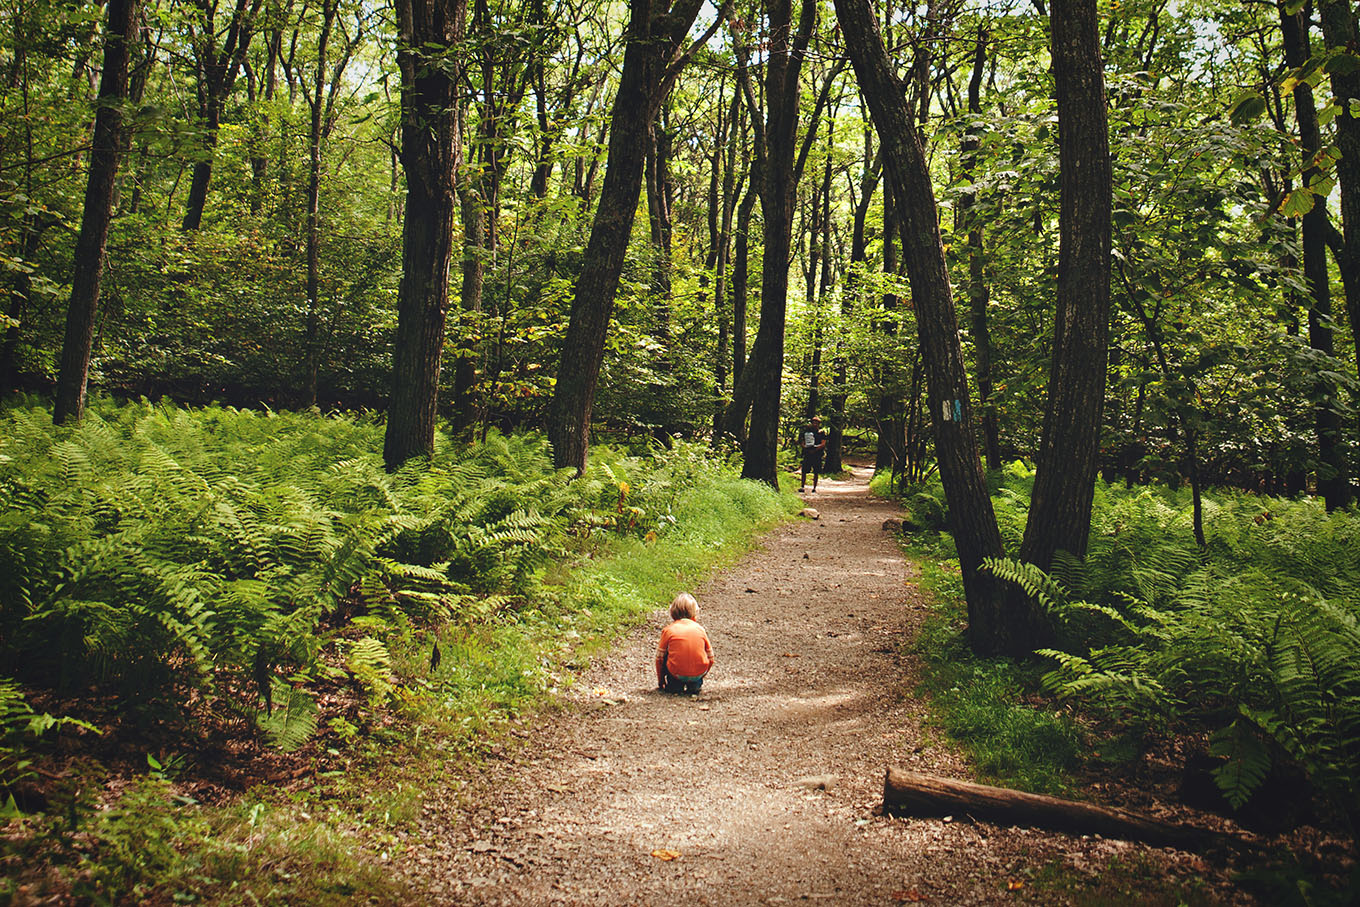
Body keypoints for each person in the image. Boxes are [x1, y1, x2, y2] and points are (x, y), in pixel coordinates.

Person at [655, 592, 714, 694]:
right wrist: (702, 673)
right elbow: (711, 658)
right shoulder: (700, 629)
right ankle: (694, 685)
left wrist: (660, 681)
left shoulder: (668, 630)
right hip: (698, 674)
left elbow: (659, 659)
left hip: (676, 674)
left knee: (666, 653)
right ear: (695, 615)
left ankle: (674, 685)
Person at [799, 415, 827, 492]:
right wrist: (804, 447)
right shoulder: (806, 432)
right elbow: (802, 441)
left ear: (819, 424)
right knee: (804, 471)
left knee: (816, 471)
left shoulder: (821, 433)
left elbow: (823, 443)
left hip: (817, 455)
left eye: (816, 423)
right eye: (813, 422)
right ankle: (802, 486)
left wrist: (815, 450)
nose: (815, 424)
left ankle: (814, 488)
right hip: (807, 453)